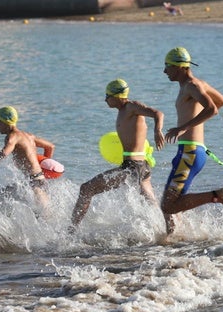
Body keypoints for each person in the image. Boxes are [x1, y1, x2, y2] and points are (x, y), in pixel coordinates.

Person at [161, 47, 223, 234]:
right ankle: (172, 238)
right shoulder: (196, 85)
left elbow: (213, 109)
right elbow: (221, 101)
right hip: (190, 151)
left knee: (167, 205)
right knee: (171, 201)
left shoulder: (192, 85)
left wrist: (184, 127)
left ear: (180, 67)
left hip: (189, 152)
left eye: (167, 66)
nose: (165, 71)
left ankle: (218, 195)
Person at [70, 79, 166, 229]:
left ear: (117, 96)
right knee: (151, 203)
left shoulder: (131, 107)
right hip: (141, 166)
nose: (105, 99)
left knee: (86, 189)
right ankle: (167, 228)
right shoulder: (124, 111)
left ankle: (71, 231)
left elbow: (157, 113)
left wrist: (157, 130)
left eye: (108, 95)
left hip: (133, 167)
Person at [0, 106, 55, 218]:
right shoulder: (28, 136)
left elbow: (3, 154)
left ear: (6, 121)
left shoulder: (12, 137)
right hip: (39, 182)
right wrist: (44, 164)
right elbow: (50, 147)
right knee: (39, 217)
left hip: (35, 186)